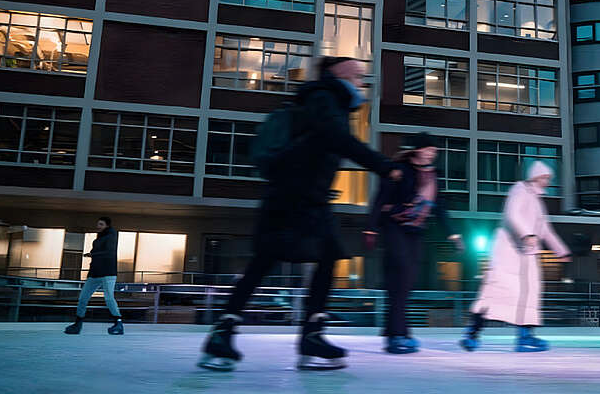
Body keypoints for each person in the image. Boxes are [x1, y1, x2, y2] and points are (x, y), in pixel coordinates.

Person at [198, 56, 401, 372]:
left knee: (297, 259)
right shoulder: (324, 98)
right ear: (337, 71)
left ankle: (287, 334)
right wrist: (384, 166)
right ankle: (293, 335)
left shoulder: (328, 100)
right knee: (275, 261)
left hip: (301, 197)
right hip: (295, 198)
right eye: (357, 71)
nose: (362, 77)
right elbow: (337, 139)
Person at [364, 132, 463, 354]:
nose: (432, 154)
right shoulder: (399, 169)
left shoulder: (434, 176)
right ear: (418, 149)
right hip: (393, 226)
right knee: (400, 272)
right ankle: (399, 334)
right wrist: (370, 227)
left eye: (434, 151)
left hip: (415, 232)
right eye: (429, 150)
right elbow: (380, 198)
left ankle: (396, 333)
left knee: (405, 283)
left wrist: (453, 234)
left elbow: (440, 208)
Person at [459, 161, 571, 353]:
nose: (547, 181)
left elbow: (545, 230)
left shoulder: (538, 202)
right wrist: (526, 234)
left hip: (526, 256)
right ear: (535, 176)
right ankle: (472, 333)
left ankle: (525, 337)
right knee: (494, 292)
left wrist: (561, 250)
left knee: (529, 295)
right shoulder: (520, 189)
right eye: (544, 177)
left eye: (548, 178)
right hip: (507, 251)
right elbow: (512, 214)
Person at [65, 216, 123, 336]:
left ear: (107, 225)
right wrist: (92, 255)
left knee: (108, 298)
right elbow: (98, 252)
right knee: (82, 298)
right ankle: (78, 323)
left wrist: (93, 254)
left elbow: (109, 252)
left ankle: (118, 322)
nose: (98, 226)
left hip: (108, 272)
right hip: (95, 272)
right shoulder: (99, 237)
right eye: (98, 224)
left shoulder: (112, 236)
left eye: (101, 224)